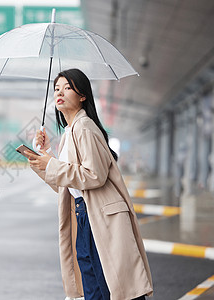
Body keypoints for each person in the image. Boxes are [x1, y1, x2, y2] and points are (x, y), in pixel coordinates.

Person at [24, 69, 153, 300]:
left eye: (67, 87)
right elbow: (67, 184)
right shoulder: (69, 133)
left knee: (107, 288)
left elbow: (94, 175)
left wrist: (51, 163)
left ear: (83, 95)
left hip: (99, 216)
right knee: (94, 287)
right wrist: (43, 156)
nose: (59, 93)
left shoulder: (84, 127)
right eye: (56, 89)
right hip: (84, 215)